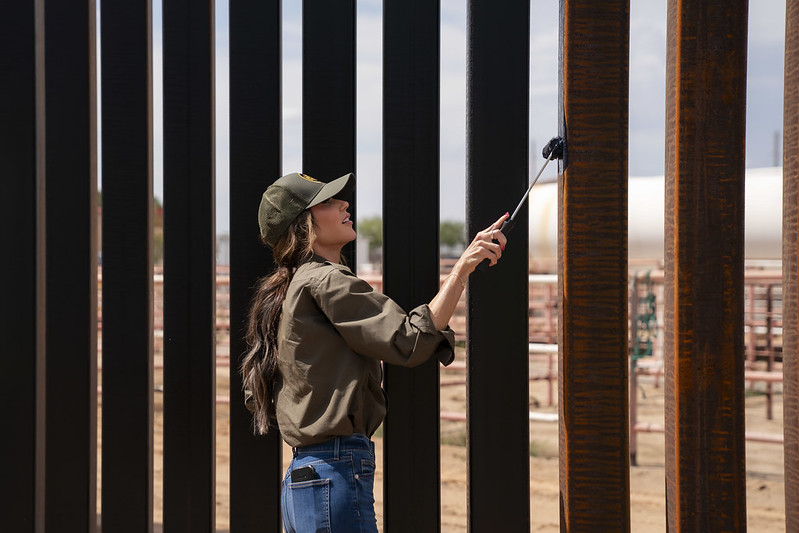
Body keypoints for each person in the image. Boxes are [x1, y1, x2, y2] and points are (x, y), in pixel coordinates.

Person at [241, 171, 508, 532]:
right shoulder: (327, 280)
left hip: (303, 479)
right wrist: (463, 268)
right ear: (304, 226)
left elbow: (256, 393)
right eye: (328, 202)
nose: (343, 204)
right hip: (334, 473)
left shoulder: (290, 288)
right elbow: (409, 339)